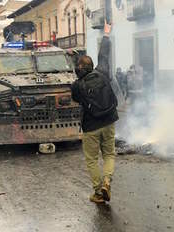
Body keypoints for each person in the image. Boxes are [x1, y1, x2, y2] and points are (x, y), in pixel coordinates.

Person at [71, 21, 118, 204]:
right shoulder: (102, 72)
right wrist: (106, 34)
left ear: (78, 70)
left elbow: (76, 99)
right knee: (109, 154)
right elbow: (104, 54)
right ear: (92, 67)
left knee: (92, 160)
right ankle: (107, 181)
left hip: (91, 126)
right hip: (109, 120)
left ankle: (99, 192)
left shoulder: (77, 86)